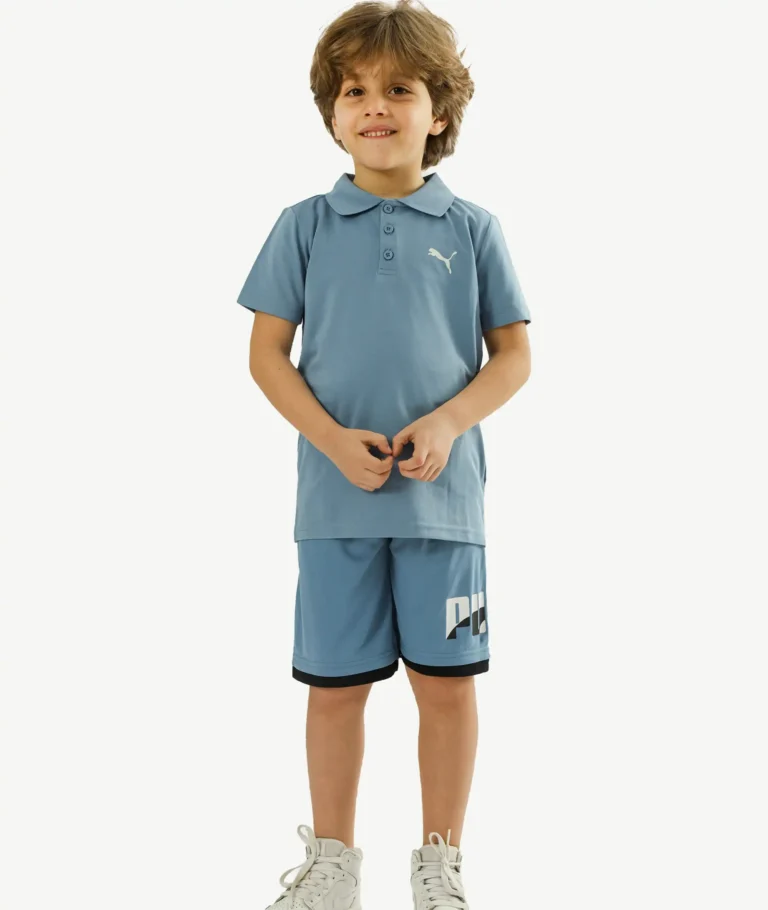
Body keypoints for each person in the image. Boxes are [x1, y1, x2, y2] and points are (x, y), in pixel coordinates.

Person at [236, 1, 531, 907]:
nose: (375, 106)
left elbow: (513, 357)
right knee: (334, 688)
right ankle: (333, 865)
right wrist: (330, 440)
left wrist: (447, 423)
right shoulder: (303, 225)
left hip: (446, 512)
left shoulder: (474, 228)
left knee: (446, 688)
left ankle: (439, 865)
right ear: (332, 112)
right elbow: (266, 355)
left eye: (399, 89)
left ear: (438, 112)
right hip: (335, 509)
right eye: (355, 90)